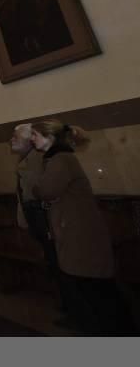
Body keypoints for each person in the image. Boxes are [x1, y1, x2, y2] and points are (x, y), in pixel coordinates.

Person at [30, 119, 135, 335]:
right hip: (78, 234)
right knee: (95, 290)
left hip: (81, 237)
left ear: (50, 138)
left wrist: (37, 189)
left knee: (97, 292)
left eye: (35, 135)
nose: (32, 139)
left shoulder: (60, 160)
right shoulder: (58, 159)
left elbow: (45, 190)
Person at [10, 124, 65, 312]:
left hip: (45, 219)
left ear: (30, 140)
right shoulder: (26, 159)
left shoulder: (39, 159)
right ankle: (67, 303)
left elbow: (40, 190)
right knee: (53, 262)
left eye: (16, 137)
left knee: (59, 263)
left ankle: (72, 306)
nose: (12, 140)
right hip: (36, 217)